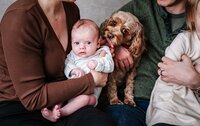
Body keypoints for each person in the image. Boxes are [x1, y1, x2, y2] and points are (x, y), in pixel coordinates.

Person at [0, 0, 116, 126]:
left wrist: (99, 49)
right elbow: (33, 98)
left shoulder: (71, 10)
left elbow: (75, 55)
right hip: (19, 108)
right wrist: (91, 80)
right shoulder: (20, 18)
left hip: (63, 99)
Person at [101, 0, 200, 126]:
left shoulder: (197, 14)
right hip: (134, 102)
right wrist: (115, 47)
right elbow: (99, 31)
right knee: (119, 119)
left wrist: (196, 81)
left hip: (179, 109)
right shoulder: (139, 7)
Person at [41, 19, 114, 122]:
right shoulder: (73, 54)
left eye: (88, 43)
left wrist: (98, 64)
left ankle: (62, 112)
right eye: (77, 43)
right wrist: (73, 70)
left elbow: (110, 65)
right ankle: (54, 109)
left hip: (90, 95)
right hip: (72, 88)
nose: (82, 47)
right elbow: (67, 64)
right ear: (72, 43)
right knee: (62, 91)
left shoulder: (102, 52)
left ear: (98, 43)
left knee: (85, 99)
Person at [146, 0, 200, 125]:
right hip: (170, 108)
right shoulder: (185, 40)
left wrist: (195, 78)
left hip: (195, 116)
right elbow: (164, 69)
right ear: (193, 17)